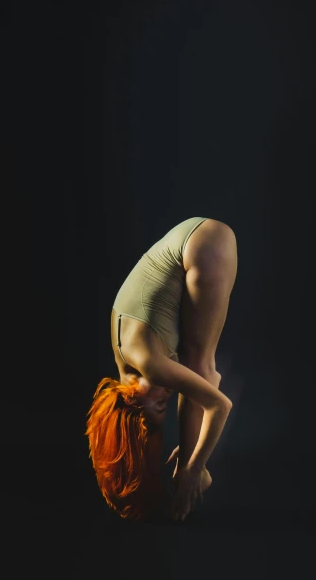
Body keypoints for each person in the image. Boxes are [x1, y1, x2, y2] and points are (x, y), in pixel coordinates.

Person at [85, 217, 237, 521]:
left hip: (206, 245)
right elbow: (197, 389)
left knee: (200, 365)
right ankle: (188, 472)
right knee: (194, 371)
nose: (166, 395)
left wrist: (194, 468)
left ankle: (189, 479)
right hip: (193, 237)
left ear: (130, 400)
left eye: (157, 403)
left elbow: (219, 404)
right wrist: (190, 444)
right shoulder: (124, 362)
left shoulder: (149, 366)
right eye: (164, 406)